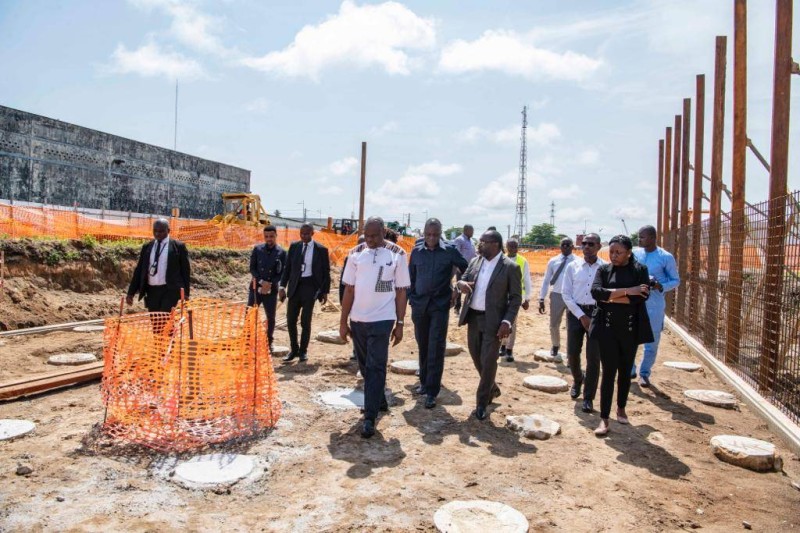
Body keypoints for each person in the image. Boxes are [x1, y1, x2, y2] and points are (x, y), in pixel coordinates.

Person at [339, 217, 410, 438]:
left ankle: (369, 418)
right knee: (365, 365)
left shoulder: (397, 254)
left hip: (383, 318)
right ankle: (379, 401)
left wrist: (399, 323)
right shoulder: (355, 254)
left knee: (376, 366)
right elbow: (349, 290)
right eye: (367, 236)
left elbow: (401, 291)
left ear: (383, 232)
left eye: (374, 236)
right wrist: (343, 321)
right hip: (358, 319)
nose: (369, 240)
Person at [589, 235, 654, 436]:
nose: (614, 256)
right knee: (608, 373)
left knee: (625, 371)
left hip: (630, 328)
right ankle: (604, 418)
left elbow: (641, 297)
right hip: (607, 328)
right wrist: (628, 291)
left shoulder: (640, 270)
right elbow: (596, 293)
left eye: (618, 252)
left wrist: (612, 297)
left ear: (628, 253)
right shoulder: (604, 269)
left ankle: (621, 408)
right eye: (612, 252)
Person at [457, 230, 522, 420]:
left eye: (483, 242)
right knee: (476, 356)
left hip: (494, 322)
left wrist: (507, 321)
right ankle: (492, 388)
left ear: (495, 244)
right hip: (473, 318)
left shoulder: (509, 267)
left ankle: (481, 402)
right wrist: (460, 284)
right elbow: (463, 278)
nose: (479, 245)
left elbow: (516, 298)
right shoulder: (475, 261)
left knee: (488, 360)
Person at [408, 218, 468, 409]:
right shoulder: (416, 252)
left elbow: (467, 269)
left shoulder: (449, 251)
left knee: (436, 346)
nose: (431, 238)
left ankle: (432, 391)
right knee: (423, 344)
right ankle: (424, 383)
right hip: (419, 305)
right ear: (424, 233)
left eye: (435, 234)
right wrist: (412, 298)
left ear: (440, 233)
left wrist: (457, 287)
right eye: (428, 234)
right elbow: (410, 277)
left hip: (440, 306)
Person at [561, 233, 605, 413]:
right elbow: (566, 294)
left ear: (599, 247)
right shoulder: (573, 266)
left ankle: (588, 397)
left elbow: (607, 293)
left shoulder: (606, 268)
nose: (586, 246)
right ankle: (578, 379)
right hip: (575, 313)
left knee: (594, 358)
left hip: (597, 313)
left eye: (591, 244)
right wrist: (581, 316)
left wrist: (593, 316)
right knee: (572, 353)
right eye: (584, 244)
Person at [632, 225, 680, 387]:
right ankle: (630, 369)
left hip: (654, 305)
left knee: (651, 342)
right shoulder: (635, 254)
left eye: (643, 237)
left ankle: (644, 373)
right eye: (639, 237)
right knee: (630, 338)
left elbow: (675, 280)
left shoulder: (665, 257)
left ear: (653, 237)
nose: (639, 240)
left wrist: (660, 285)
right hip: (634, 303)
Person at [279, 223, 331, 362]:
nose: (304, 236)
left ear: (313, 233)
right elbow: (287, 268)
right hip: (295, 287)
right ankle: (294, 350)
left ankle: (303, 351)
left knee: (305, 321)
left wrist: (325, 291)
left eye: (307, 234)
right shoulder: (294, 247)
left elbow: (326, 272)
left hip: (310, 288)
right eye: (302, 234)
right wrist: (282, 286)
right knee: (290, 320)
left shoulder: (321, 250)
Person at [126, 218, 191, 312]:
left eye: (161, 231)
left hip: (170, 290)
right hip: (151, 291)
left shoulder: (178, 247)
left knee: (165, 319)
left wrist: (186, 293)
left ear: (168, 231)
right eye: (155, 231)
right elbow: (139, 270)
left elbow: (185, 271)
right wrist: (130, 293)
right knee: (156, 323)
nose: (157, 234)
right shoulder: (147, 247)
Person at [249, 225, 287, 352]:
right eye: (266, 236)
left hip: (271, 289)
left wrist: (270, 284)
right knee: (250, 314)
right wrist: (261, 281)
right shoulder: (257, 249)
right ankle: (248, 341)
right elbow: (252, 268)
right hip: (255, 287)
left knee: (270, 317)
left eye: (271, 236)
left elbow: (282, 272)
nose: (269, 239)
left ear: (276, 236)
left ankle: (269, 341)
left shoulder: (281, 252)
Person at [538, 238, 576, 358]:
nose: (565, 247)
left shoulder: (578, 261)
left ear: (572, 246)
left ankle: (571, 351)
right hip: (556, 296)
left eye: (568, 245)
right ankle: (555, 345)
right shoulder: (553, 261)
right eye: (563, 245)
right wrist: (541, 298)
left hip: (573, 297)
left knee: (572, 327)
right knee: (554, 324)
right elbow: (546, 280)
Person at [500, 238, 531, 362]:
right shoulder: (500, 259)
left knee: (512, 323)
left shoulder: (523, 261)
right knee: (501, 321)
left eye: (515, 246)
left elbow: (527, 279)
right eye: (510, 246)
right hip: (502, 296)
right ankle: (502, 346)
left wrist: (527, 298)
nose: (513, 249)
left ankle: (509, 349)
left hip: (516, 297)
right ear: (506, 246)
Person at [340, 235, 366, 361]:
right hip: (353, 300)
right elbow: (343, 284)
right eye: (358, 244)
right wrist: (343, 301)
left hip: (367, 301)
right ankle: (357, 350)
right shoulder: (350, 259)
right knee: (355, 327)